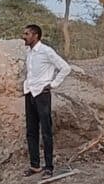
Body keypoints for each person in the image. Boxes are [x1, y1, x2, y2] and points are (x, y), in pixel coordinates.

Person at [21, 23, 71, 174]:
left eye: (27, 34)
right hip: (30, 92)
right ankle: (34, 165)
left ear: (35, 35)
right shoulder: (29, 53)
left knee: (46, 130)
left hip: (42, 94)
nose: (24, 36)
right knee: (31, 131)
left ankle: (49, 166)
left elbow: (65, 67)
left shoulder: (46, 51)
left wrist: (53, 84)